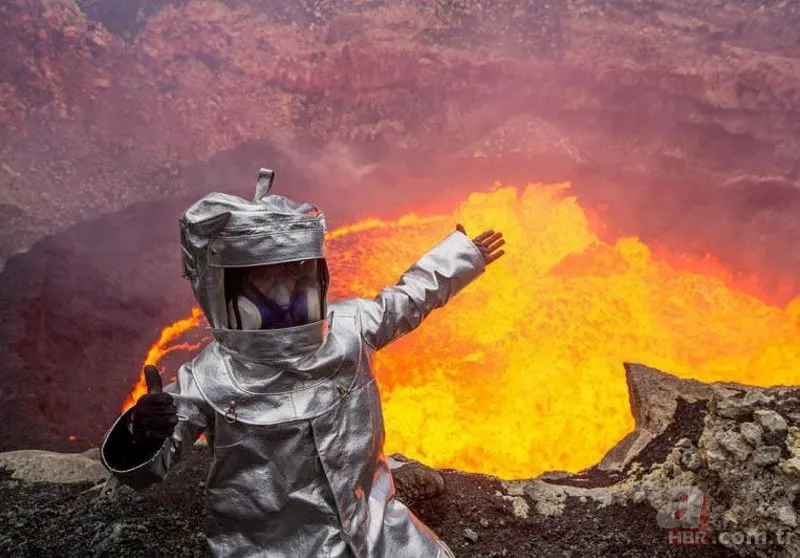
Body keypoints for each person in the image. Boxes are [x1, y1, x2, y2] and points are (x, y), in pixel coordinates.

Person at [100, 168, 506, 557]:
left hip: (376, 531)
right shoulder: (212, 376)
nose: (281, 295)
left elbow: (408, 299)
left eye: (293, 275)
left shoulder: (349, 329)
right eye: (264, 279)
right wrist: (143, 433)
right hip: (266, 548)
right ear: (229, 287)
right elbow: (146, 472)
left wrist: (460, 257)